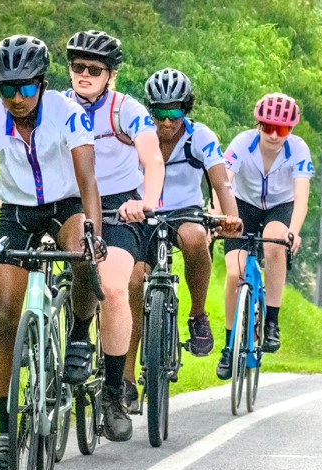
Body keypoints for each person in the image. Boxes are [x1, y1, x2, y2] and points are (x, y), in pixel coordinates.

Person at [0, 35, 103, 470]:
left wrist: (93, 228)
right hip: (16, 213)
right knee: (4, 316)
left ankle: (79, 332)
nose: (16, 98)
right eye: (7, 89)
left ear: (41, 83)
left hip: (65, 205)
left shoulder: (69, 114)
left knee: (81, 252)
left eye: (25, 87)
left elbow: (88, 179)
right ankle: (4, 430)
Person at [64, 30, 165, 440]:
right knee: (64, 268)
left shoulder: (127, 110)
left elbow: (153, 160)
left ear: (111, 75)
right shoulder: (56, 106)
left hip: (121, 207)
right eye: (77, 67)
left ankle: (111, 393)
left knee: (114, 288)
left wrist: (147, 201)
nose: (84, 75)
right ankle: (73, 337)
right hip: (70, 202)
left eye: (94, 69)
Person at [122, 68, 242, 408]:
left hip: (183, 211)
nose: (166, 121)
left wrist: (231, 217)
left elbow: (221, 183)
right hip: (142, 212)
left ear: (185, 110)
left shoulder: (200, 136)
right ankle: (126, 381)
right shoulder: (138, 134)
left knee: (194, 238)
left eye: (174, 112)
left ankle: (198, 314)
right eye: (158, 113)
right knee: (132, 282)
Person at [216, 93, 313, 380]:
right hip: (242, 206)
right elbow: (223, 182)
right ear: (258, 125)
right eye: (267, 127)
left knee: (275, 243)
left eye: (281, 129)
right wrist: (219, 217)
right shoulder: (242, 143)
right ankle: (228, 343)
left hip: (280, 208)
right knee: (234, 273)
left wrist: (293, 231)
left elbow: (301, 197)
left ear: (291, 130)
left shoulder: (298, 149)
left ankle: (272, 321)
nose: (273, 135)